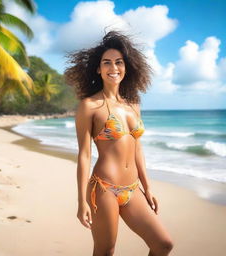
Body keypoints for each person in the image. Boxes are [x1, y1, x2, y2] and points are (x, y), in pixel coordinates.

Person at [65, 31, 174, 256]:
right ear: (98, 69)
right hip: (104, 188)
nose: (113, 68)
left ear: (126, 67)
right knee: (106, 251)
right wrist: (81, 201)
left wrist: (148, 187)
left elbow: (138, 149)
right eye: (107, 63)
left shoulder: (133, 105)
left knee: (163, 244)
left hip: (133, 189)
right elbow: (84, 155)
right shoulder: (89, 106)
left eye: (118, 62)